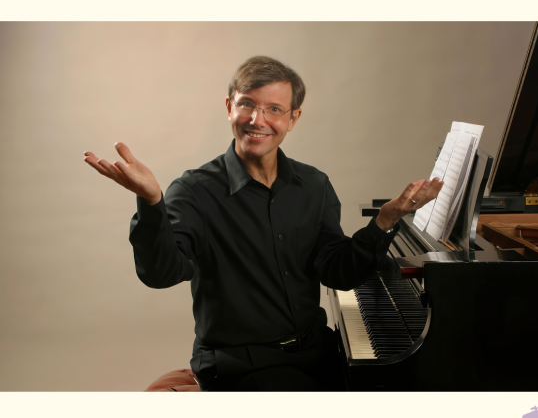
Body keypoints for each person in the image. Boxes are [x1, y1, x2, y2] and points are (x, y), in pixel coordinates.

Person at [82, 56, 444, 391]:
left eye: (274, 109)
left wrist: (386, 219)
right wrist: (151, 202)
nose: (258, 120)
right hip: (241, 365)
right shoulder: (193, 191)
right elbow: (160, 273)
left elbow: (338, 272)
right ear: (229, 108)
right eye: (247, 105)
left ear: (293, 118)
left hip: (317, 354)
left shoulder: (313, 185)